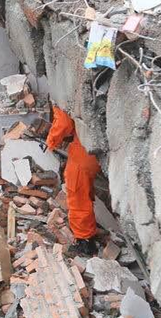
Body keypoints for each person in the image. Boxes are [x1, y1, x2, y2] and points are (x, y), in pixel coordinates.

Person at [46, 106, 101, 255]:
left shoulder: (61, 87)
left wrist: (50, 141)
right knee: (84, 191)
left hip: (85, 146)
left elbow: (64, 123)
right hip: (93, 140)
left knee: (77, 194)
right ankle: (88, 230)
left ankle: (85, 241)